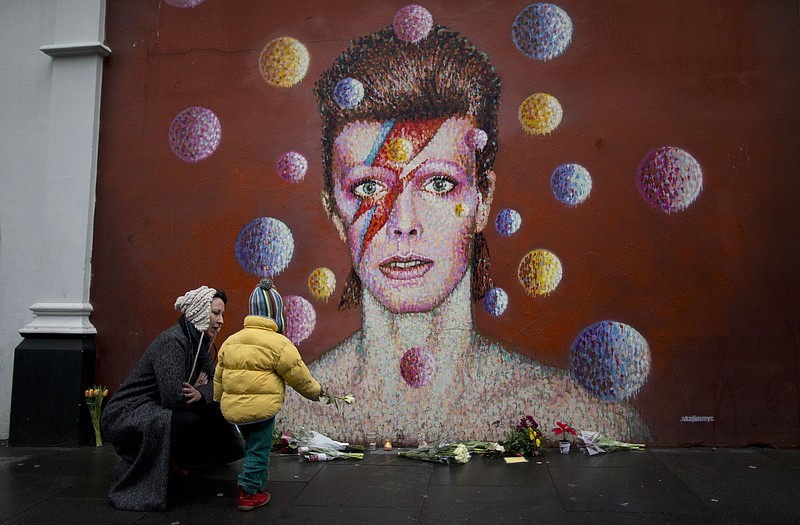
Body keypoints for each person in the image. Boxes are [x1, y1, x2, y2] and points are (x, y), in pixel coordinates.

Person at [279, 18, 650, 445]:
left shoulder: (578, 415)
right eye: (369, 187)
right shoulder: (294, 417)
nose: (403, 223)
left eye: (439, 184)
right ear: (333, 209)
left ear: (483, 199)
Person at [101, 285, 244, 511]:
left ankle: (193, 458)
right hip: (129, 411)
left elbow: (218, 386)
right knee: (190, 421)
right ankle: (165, 462)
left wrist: (200, 392)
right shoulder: (173, 341)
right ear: (198, 311)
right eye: (216, 313)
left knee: (217, 407)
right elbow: (174, 398)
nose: (221, 320)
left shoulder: (200, 343)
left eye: (222, 314)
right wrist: (197, 390)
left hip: (155, 406)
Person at [214, 278, 322, 512]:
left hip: (233, 409)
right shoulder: (279, 344)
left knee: (252, 446)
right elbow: (298, 375)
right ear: (276, 313)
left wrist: (217, 397)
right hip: (262, 410)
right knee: (259, 449)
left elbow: (219, 374)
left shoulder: (232, 341)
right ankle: (248, 492)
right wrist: (315, 392)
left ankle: (257, 485)